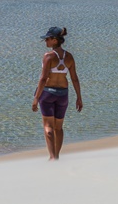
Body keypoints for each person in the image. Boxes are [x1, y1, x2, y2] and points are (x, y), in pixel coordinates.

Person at [32, 26, 83, 160]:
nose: (45, 42)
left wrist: (36, 98)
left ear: (55, 40)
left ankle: (52, 157)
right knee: (58, 128)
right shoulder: (70, 57)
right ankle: (57, 156)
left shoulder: (48, 56)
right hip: (63, 95)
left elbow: (43, 79)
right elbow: (74, 78)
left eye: (47, 39)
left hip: (47, 94)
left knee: (48, 127)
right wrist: (79, 97)